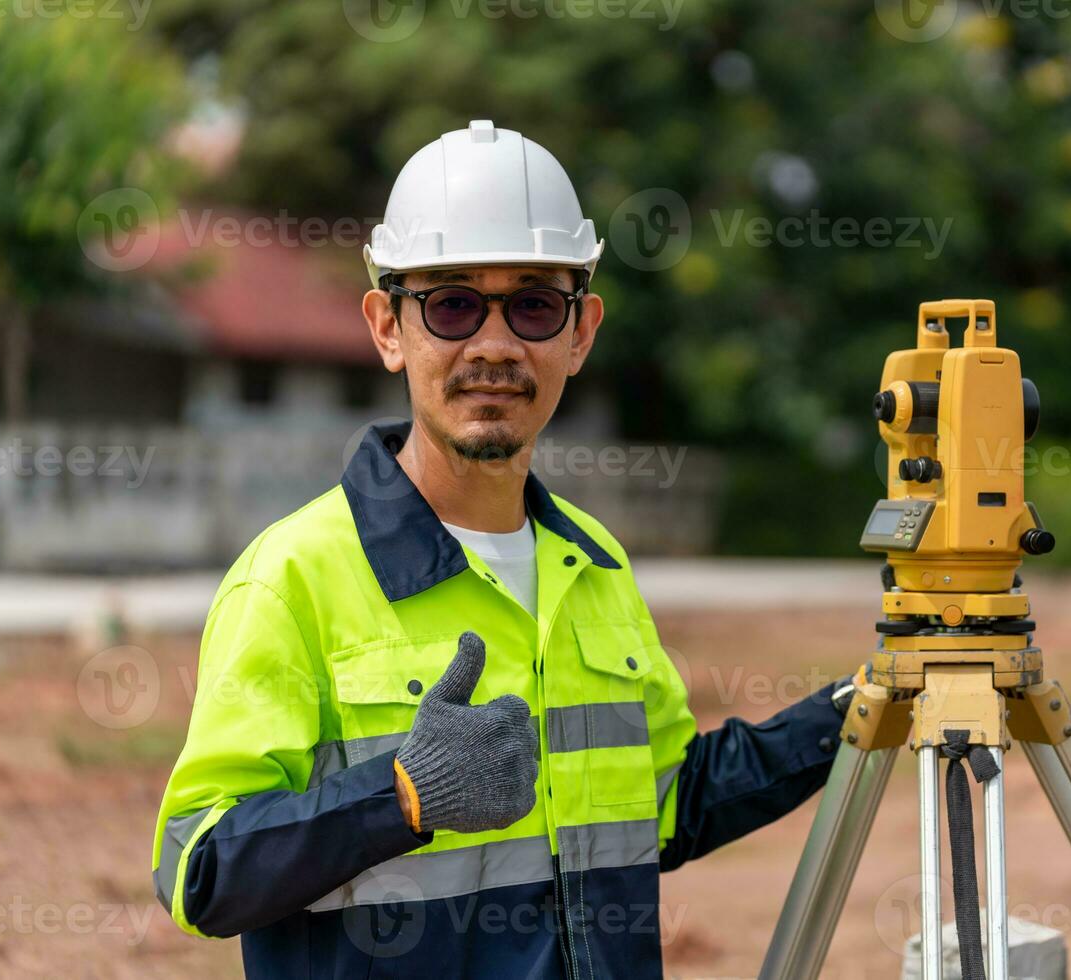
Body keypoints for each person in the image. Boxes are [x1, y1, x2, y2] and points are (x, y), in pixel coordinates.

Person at [151, 120, 850, 978]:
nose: (493, 344)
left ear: (580, 332)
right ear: (388, 327)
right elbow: (201, 870)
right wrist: (399, 797)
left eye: (532, 304)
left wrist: (851, 713)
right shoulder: (294, 578)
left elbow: (667, 805)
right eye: (450, 303)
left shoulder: (591, 564)